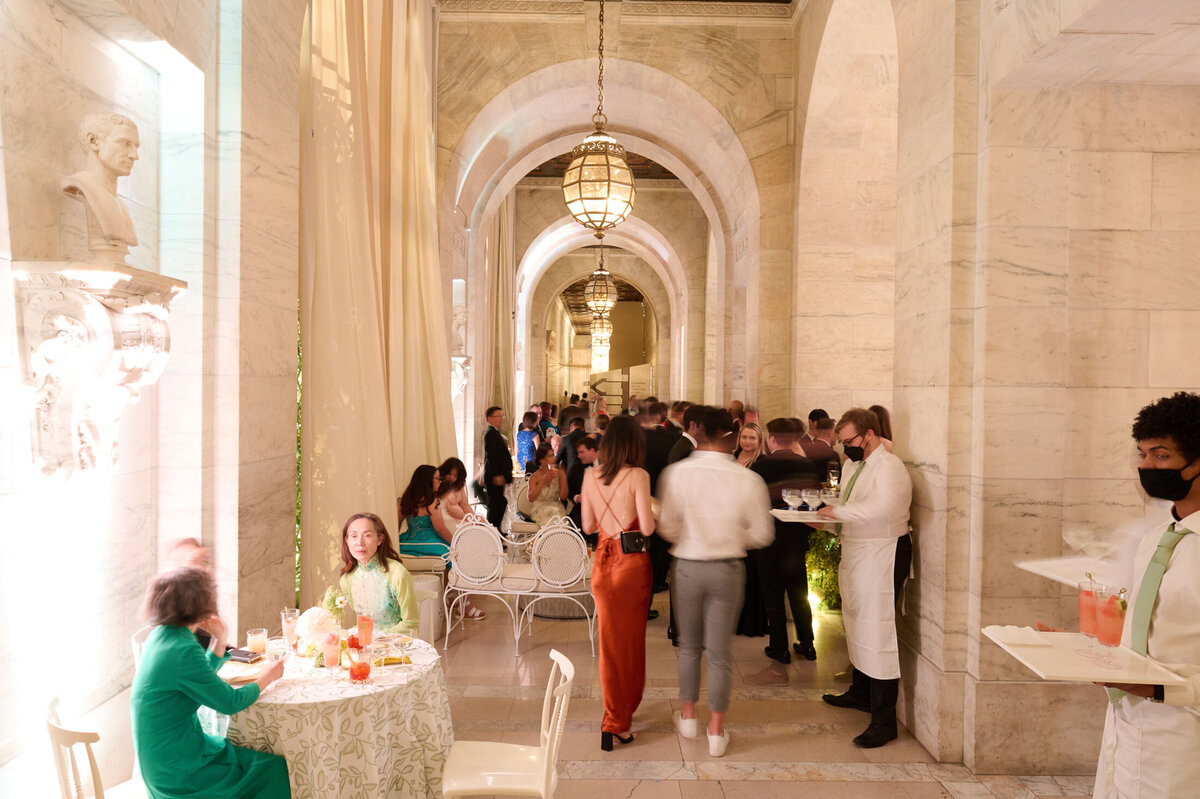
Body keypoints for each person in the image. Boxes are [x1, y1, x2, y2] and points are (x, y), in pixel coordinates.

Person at [1092, 392, 1200, 799]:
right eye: (1142, 455)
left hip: (1184, 741)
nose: (1146, 467)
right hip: (1126, 725)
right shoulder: (1158, 538)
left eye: (1160, 456)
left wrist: (1157, 689)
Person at [658, 406, 774, 758]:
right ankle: (715, 731)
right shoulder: (747, 478)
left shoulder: (678, 473)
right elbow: (762, 534)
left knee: (690, 647)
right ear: (729, 436)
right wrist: (732, 536)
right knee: (721, 654)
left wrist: (691, 536)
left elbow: (667, 526)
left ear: (699, 431)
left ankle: (689, 717)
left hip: (688, 566)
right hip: (727, 568)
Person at [131, 567, 290, 799]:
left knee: (255, 762)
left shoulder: (164, 634)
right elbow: (230, 702)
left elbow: (197, 677)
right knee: (273, 770)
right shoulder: (182, 649)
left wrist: (220, 639)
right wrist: (269, 675)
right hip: (178, 771)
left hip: (165, 758)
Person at [816, 408, 912, 748]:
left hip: (883, 553)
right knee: (855, 622)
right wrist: (823, 519)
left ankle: (884, 721)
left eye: (850, 441)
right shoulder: (851, 464)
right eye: (842, 443)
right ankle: (860, 692)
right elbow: (846, 505)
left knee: (877, 627)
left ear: (868, 434)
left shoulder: (891, 467)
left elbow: (881, 508)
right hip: (856, 551)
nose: (845, 449)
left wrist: (836, 513)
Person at [581, 415, 656, 751]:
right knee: (629, 645)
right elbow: (649, 529)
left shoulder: (588, 475)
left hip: (602, 562)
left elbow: (587, 525)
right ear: (633, 445)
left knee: (610, 645)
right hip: (630, 564)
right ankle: (616, 721)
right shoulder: (638, 475)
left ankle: (616, 716)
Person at [744, 418, 829, 685]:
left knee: (773, 596)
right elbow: (817, 503)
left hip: (769, 538)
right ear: (796, 439)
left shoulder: (761, 466)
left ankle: (780, 648)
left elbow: (749, 502)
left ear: (771, 439)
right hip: (797, 539)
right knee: (799, 591)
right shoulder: (806, 465)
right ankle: (808, 642)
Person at [61, 112, 140, 260]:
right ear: (93, 141)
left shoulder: (121, 205)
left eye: (136, 146)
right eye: (125, 143)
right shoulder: (82, 185)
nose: (135, 155)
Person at [338, 513, 420, 635]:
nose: (359, 542)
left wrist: (378, 638)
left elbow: (411, 623)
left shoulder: (398, 573)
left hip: (396, 644)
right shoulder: (347, 579)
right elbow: (363, 621)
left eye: (367, 535)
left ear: (379, 540)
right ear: (347, 541)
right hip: (367, 643)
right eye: (354, 536)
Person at [397, 465, 452, 559]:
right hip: (429, 544)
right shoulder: (431, 501)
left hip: (409, 543)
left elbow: (396, 526)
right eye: (437, 478)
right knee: (454, 556)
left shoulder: (405, 500)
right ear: (427, 481)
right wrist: (455, 543)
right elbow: (440, 529)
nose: (440, 482)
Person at [483, 406, 513, 529]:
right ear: (490, 419)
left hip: (499, 475)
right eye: (498, 416)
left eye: (502, 416)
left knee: (500, 503)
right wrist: (497, 474)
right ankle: (492, 532)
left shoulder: (495, 433)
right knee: (495, 506)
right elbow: (492, 456)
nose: (501, 419)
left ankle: (496, 530)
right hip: (494, 477)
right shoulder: (490, 434)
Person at [525, 443, 568, 525]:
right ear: (542, 461)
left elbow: (563, 497)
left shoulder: (559, 473)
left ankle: (559, 536)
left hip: (557, 507)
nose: (554, 458)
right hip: (540, 508)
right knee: (555, 513)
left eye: (554, 455)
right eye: (550, 456)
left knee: (557, 512)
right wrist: (543, 481)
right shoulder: (534, 477)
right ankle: (550, 537)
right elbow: (530, 498)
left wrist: (563, 477)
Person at [567, 435, 599, 532]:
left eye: (582, 452)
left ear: (592, 450)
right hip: (582, 510)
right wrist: (576, 497)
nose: (579, 456)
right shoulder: (576, 468)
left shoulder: (607, 467)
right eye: (578, 453)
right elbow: (569, 490)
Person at [435, 456, 473, 536]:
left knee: (476, 528)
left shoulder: (459, 485)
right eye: (449, 474)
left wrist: (473, 518)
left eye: (455, 476)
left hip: (459, 517)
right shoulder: (438, 483)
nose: (452, 478)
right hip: (445, 516)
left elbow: (464, 505)